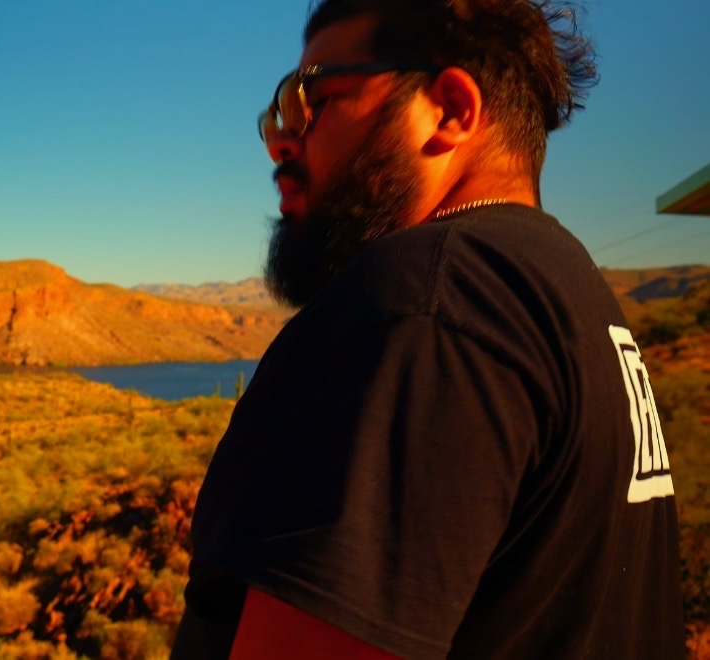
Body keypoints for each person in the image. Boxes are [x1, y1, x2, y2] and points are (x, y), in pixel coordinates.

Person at [172, 1, 684, 658]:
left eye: (313, 98)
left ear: (448, 109)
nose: (280, 139)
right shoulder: (567, 290)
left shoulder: (421, 303)